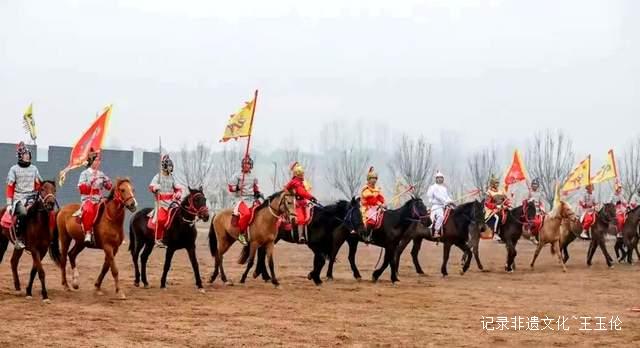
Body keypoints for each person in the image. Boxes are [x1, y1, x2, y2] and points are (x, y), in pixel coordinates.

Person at [5, 142, 42, 250]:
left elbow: (38, 184)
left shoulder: (34, 168)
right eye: (25, 154)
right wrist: (9, 204)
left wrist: (40, 193)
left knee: (44, 211)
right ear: (20, 156)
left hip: (33, 197)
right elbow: (10, 187)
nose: (27, 156)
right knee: (23, 213)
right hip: (19, 199)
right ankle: (19, 238)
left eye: (28, 155)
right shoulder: (13, 169)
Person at [78, 149, 112, 245]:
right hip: (88, 198)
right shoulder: (84, 173)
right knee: (88, 210)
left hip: (99, 198)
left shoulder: (101, 174)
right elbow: (81, 188)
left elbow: (108, 187)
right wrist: (90, 182)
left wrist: (108, 182)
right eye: (96, 160)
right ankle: (88, 232)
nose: (98, 162)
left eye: (99, 160)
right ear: (91, 161)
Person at [148, 154, 183, 248]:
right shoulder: (158, 176)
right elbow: (151, 187)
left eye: (171, 167)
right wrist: (155, 188)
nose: (170, 169)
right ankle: (159, 239)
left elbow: (178, 187)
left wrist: (178, 193)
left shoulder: (172, 177)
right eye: (169, 167)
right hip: (161, 202)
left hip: (172, 202)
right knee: (161, 219)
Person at [228, 155, 261, 246]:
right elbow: (230, 188)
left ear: (251, 165)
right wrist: (238, 187)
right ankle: (241, 234)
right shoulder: (237, 175)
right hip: (240, 199)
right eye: (245, 164)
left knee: (261, 211)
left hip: (252, 199)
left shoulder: (254, 176)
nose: (246, 166)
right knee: (246, 214)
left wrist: (257, 192)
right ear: (242, 165)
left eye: (248, 164)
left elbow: (256, 187)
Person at [284, 162, 317, 243]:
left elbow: (305, 191)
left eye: (302, 173)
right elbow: (301, 192)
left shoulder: (301, 182)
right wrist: (311, 197)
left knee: (311, 216)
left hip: (304, 202)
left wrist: (310, 198)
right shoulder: (295, 182)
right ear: (297, 174)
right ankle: (300, 236)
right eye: (301, 174)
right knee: (301, 219)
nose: (302, 175)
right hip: (297, 203)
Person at [360, 167, 385, 242]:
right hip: (367, 207)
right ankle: (366, 236)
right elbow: (371, 199)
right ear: (368, 179)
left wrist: (383, 203)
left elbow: (380, 197)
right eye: (372, 178)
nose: (374, 180)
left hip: (376, 207)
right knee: (372, 219)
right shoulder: (366, 189)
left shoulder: (377, 189)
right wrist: (379, 204)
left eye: (375, 178)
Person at [426, 171, 454, 238]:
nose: (440, 179)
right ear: (436, 179)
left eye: (441, 178)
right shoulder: (433, 187)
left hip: (444, 205)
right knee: (441, 216)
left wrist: (451, 201)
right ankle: (436, 231)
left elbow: (447, 197)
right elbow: (438, 196)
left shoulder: (444, 188)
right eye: (438, 178)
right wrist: (446, 201)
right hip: (436, 206)